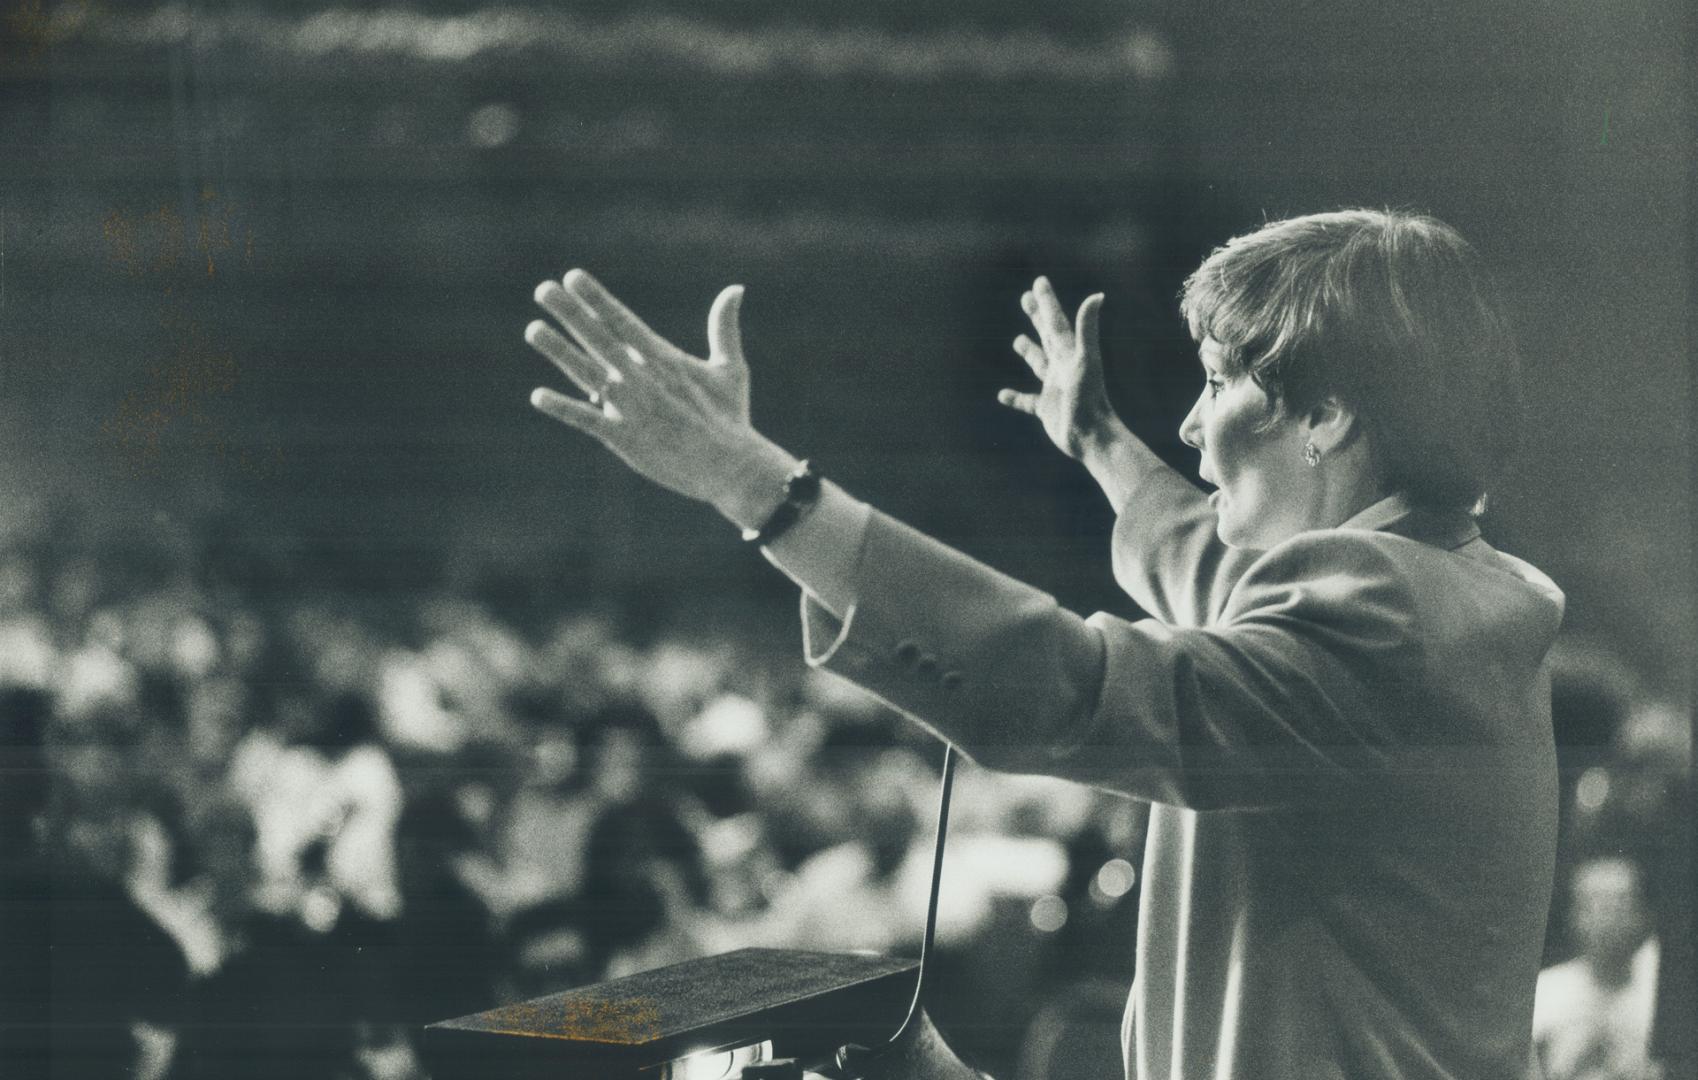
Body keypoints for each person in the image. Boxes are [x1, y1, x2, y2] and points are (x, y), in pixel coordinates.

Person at [519, 208, 1565, 1080]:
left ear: (1327, 415)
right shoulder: (1449, 593)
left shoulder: (1380, 616)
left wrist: (752, 484)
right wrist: (1100, 440)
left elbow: (1067, 688)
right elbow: (1203, 565)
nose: (1193, 428)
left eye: (1216, 380)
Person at [1531, 855, 1661, 1080]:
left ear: (1643, 915)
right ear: (1573, 917)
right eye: (1592, 906)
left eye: (1619, 905)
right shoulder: (1543, 991)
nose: (1605, 920)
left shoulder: (1665, 996)